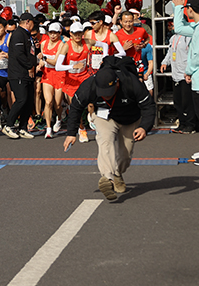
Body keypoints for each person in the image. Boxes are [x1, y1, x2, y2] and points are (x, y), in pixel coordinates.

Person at [63, 57, 155, 200]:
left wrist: (144, 127)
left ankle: (117, 174)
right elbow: (75, 107)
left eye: (109, 92)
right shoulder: (89, 85)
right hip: (104, 116)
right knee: (105, 142)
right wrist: (71, 133)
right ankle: (108, 178)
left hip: (129, 118)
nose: (106, 95)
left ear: (117, 83)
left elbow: (149, 106)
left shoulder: (131, 82)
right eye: (103, 92)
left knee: (125, 155)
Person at [172, 0, 199, 165]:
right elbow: (179, 28)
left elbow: (197, 55)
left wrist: (188, 71)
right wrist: (178, 7)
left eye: (187, 8)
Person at [3, 13, 37, 139]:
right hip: (18, 73)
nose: (33, 25)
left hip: (26, 74)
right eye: (32, 22)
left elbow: (28, 52)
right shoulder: (18, 34)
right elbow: (19, 54)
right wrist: (29, 66)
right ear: (27, 21)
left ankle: (23, 127)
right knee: (21, 99)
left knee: (29, 101)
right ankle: (9, 125)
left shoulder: (27, 35)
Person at [57, 21, 92, 143]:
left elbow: (103, 44)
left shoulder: (88, 42)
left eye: (79, 33)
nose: (77, 36)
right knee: (75, 106)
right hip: (71, 80)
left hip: (84, 77)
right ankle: (81, 128)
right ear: (71, 34)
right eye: (75, 33)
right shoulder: (66, 46)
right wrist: (72, 66)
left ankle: (91, 117)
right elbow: (58, 66)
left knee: (91, 102)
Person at [160, 26, 197, 134]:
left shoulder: (189, 37)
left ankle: (191, 125)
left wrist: (190, 70)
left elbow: (193, 55)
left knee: (187, 101)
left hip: (186, 74)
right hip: (176, 74)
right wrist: (164, 62)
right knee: (178, 101)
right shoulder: (173, 38)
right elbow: (170, 52)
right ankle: (182, 124)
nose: (171, 26)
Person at [39, 22, 66, 138]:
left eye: (55, 33)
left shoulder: (61, 45)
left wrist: (44, 58)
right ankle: (48, 128)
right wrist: (40, 63)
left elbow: (55, 62)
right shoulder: (43, 43)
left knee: (57, 104)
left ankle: (59, 118)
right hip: (47, 75)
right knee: (48, 102)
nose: (53, 35)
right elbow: (42, 60)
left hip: (59, 74)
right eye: (51, 32)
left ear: (59, 33)